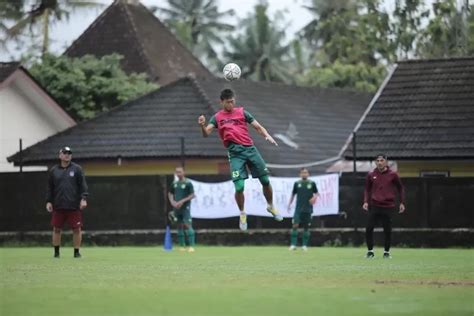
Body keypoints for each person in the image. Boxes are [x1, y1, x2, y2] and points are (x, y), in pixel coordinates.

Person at [198, 88, 283, 231]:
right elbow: (206, 133)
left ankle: (270, 206)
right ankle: (242, 213)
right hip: (235, 153)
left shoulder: (243, 112)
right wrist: (202, 125)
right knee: (239, 187)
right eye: (228, 102)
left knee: (265, 180)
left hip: (250, 149)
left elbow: (257, 126)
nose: (231, 104)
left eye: (233, 101)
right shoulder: (217, 117)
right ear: (222, 102)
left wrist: (267, 135)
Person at [46, 146, 88, 258]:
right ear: (60, 155)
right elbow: (50, 188)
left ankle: (76, 252)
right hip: (58, 205)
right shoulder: (54, 171)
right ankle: (56, 253)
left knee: (77, 229)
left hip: (73, 205)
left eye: (69, 153)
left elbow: (83, 185)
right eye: (64, 153)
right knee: (56, 229)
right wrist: (49, 201)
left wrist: (83, 199)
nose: (67, 155)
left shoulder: (77, 169)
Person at [363, 154, 405, 259]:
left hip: (388, 206)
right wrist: (365, 201)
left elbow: (400, 188)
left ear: (386, 162)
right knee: (369, 228)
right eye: (377, 160)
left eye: (382, 160)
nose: (379, 162)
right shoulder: (371, 174)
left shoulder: (393, 174)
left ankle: (386, 252)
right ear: (375, 162)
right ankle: (370, 252)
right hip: (375, 205)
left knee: (387, 230)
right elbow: (367, 189)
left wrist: (402, 202)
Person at [287, 168, 319, 251]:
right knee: (295, 225)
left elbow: (317, 193)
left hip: (308, 209)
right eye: (303, 173)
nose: (304, 174)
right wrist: (289, 204)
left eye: (306, 172)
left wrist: (314, 198)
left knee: (306, 227)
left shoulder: (312, 183)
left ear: (308, 174)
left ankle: (304, 245)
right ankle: (293, 245)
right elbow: (293, 194)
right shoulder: (297, 183)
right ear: (300, 174)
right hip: (298, 209)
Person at [168, 166, 196, 252]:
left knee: (187, 225)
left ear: (184, 172)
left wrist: (182, 201)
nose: (178, 173)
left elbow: (192, 195)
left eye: (180, 172)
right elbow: (170, 193)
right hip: (176, 208)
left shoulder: (188, 183)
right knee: (179, 226)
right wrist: (172, 202)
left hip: (185, 208)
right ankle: (182, 246)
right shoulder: (174, 183)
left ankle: (191, 246)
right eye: (177, 172)